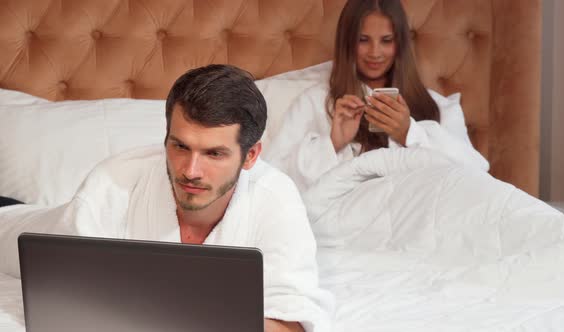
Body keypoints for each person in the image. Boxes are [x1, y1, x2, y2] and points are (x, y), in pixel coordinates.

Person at [0, 65, 332, 332]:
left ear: (250, 156)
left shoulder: (276, 200)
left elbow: (294, 318)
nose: (191, 171)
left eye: (214, 153)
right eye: (180, 146)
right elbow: (68, 298)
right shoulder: (114, 183)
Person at [266, 0, 489, 192]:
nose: (375, 52)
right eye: (363, 40)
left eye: (386, 40)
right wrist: (332, 144)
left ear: (400, 44)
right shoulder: (314, 102)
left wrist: (409, 133)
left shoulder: (438, 107)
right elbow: (273, 181)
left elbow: (476, 174)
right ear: (348, 42)